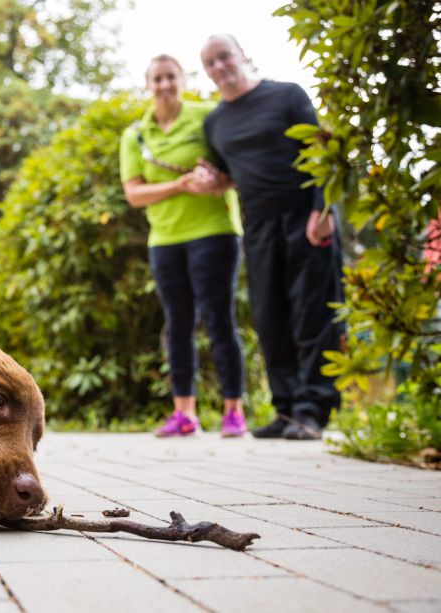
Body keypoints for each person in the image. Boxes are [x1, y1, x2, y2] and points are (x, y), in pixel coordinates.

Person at [199, 34, 345, 440]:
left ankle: (313, 411)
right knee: (270, 318)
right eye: (209, 63)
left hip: (306, 217)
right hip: (258, 227)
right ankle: (286, 409)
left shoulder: (287, 96)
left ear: (243, 54)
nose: (219, 67)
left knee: (312, 315)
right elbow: (227, 175)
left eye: (224, 56)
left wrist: (324, 207)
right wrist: (211, 179)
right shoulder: (215, 123)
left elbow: (322, 149)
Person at [119, 54, 247, 438]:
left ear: (183, 79)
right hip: (166, 240)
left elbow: (236, 171)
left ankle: (233, 412)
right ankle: (184, 413)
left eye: (170, 77)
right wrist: (179, 185)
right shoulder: (136, 135)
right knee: (178, 325)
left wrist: (216, 180)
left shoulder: (207, 118)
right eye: (157, 78)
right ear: (147, 83)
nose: (164, 85)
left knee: (219, 319)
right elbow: (134, 194)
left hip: (214, 232)